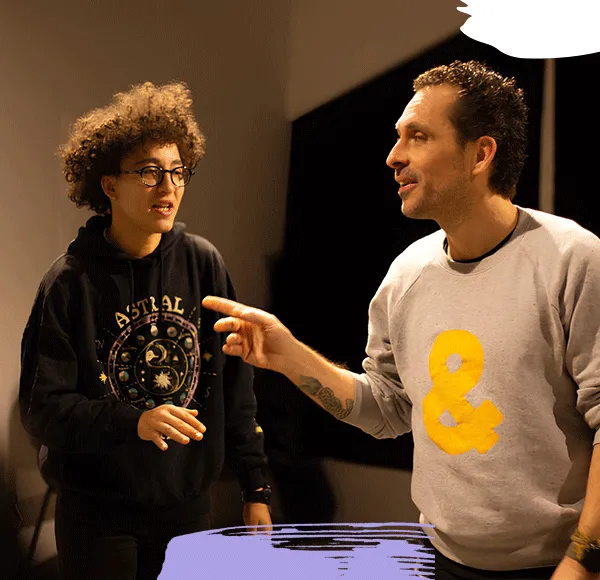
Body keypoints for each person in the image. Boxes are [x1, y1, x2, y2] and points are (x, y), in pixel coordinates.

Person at [201, 60, 600, 580]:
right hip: (440, 560)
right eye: (398, 137)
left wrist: (583, 558)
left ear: (481, 154)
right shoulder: (407, 273)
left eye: (419, 136)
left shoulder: (572, 258)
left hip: (556, 566)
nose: (394, 156)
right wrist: (289, 355)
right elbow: (387, 411)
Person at [18, 81, 272, 580]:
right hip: (98, 513)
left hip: (187, 505)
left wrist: (255, 486)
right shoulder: (69, 282)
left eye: (178, 172)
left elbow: (235, 384)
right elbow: (42, 410)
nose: (168, 186)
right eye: (150, 172)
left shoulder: (203, 263)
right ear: (109, 185)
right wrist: (132, 421)